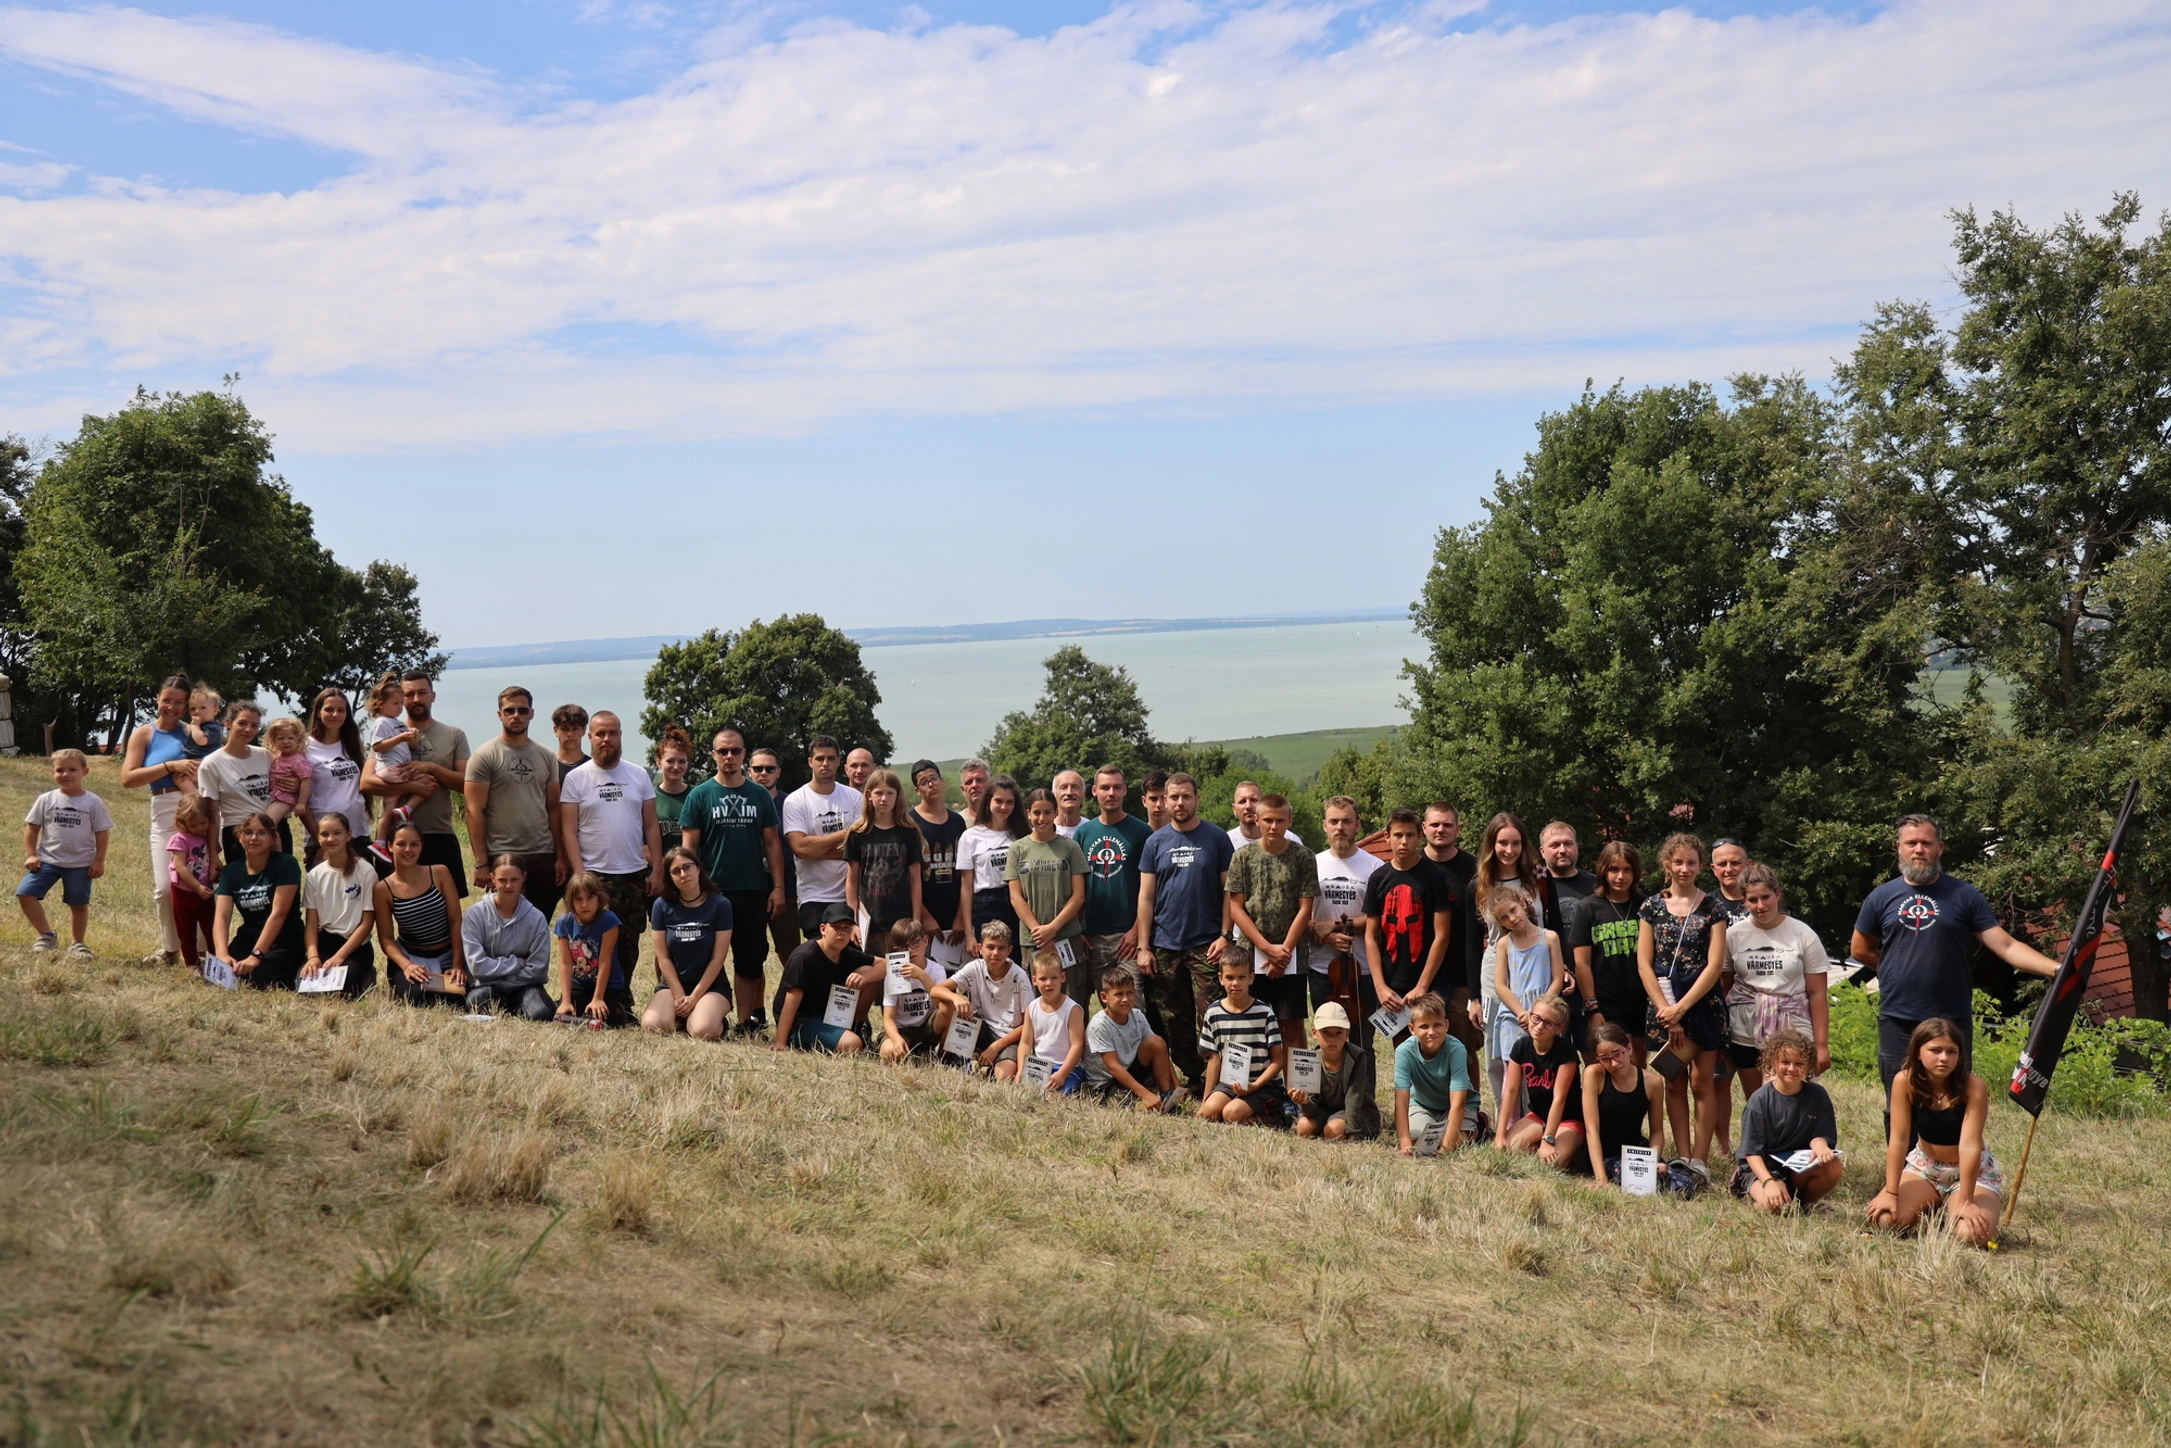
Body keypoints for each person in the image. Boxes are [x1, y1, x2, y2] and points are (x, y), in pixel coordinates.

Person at [1851, 814, 2057, 1103]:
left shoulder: (1964, 895)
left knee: (1952, 1100)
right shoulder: (1881, 897)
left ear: (1940, 848)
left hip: (1951, 1018)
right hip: (1898, 1018)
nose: (1919, 849)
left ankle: (1950, 1136)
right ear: (1899, 847)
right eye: (1911, 843)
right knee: (1899, 1102)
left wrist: (2057, 969)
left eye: (1926, 843)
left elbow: (2006, 946)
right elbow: (1859, 949)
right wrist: (1893, 968)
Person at [1135, 772, 1237, 1094]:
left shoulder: (1217, 838)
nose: (1180, 803)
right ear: (1165, 800)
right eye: (1174, 797)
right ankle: (1194, 1076)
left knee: (1212, 1016)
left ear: (1197, 799)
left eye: (1186, 796)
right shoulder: (1155, 842)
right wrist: (1143, 947)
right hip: (1165, 945)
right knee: (1174, 1020)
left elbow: (1230, 892)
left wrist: (1226, 935)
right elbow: (1146, 897)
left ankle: (1220, 1080)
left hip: (1207, 944)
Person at [1636, 832, 1730, 1175]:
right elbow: (1644, 964)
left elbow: (1715, 965)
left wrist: (1683, 1008)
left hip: (1702, 1005)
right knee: (1673, 1082)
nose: (1684, 868)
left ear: (1701, 865)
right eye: (1678, 862)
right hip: (1662, 1007)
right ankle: (1682, 1155)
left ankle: (1700, 1160)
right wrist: (1669, 1012)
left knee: (1703, 1083)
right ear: (1667, 864)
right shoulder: (1651, 907)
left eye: (1691, 862)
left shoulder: (1713, 908)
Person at [681, 729, 786, 1034]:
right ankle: (698, 1012)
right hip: (711, 892)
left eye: (735, 751)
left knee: (750, 960)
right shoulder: (700, 795)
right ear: (713, 755)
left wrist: (778, 887)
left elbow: (772, 844)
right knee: (703, 957)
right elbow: (689, 848)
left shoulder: (759, 795)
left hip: (752, 890)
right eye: (723, 751)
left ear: (744, 755)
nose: (729, 756)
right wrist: (689, 890)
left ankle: (744, 1022)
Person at [1866, 1018, 2002, 1247]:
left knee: (1970, 1235)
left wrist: (1967, 1200)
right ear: (1918, 1052)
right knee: (1884, 1220)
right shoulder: (1904, 1081)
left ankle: (1959, 1204)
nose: (1944, 1058)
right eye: (1935, 1050)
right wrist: (1890, 1191)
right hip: (1925, 1167)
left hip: (1971, 1173)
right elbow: (1899, 1139)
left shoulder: (1973, 1085)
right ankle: (1934, 1204)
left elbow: (1970, 1144)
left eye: (1951, 1051)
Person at [559, 711, 664, 991]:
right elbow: (568, 830)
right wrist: (580, 875)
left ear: (620, 736)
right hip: (594, 876)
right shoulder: (576, 778)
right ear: (590, 737)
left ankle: (620, 999)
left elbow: (651, 826)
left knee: (628, 943)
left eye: (613, 733)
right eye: (600, 734)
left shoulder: (638, 775)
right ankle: (591, 999)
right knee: (591, 944)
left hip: (633, 874)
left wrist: (657, 869)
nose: (607, 739)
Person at [1723, 863, 1832, 1105]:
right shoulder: (1733, 935)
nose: (1760, 906)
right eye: (1753, 900)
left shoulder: (1803, 934)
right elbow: (1725, 985)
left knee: (1793, 1098)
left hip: (1792, 1024)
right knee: (1757, 1101)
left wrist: (1821, 1044)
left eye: (1766, 897)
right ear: (1744, 900)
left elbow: (1817, 993)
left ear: (1778, 894)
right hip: (1745, 1027)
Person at [361, 672, 473, 897]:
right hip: (397, 838)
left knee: (446, 905)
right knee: (394, 904)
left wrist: (432, 769)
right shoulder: (387, 731)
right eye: (409, 694)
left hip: (438, 832)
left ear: (433, 696)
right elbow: (366, 783)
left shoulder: (454, 735)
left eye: (422, 693)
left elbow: (466, 785)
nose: (416, 699)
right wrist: (411, 788)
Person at [464, 686, 566, 919]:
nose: (516, 716)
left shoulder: (546, 756)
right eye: (509, 711)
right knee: (507, 923)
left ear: (532, 713)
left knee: (539, 922)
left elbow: (553, 808)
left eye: (522, 710)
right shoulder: (484, 756)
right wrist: (481, 862)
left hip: (542, 853)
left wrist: (560, 855)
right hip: (503, 853)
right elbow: (474, 810)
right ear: (500, 714)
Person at [1226, 792, 1318, 1048]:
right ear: (1257, 820)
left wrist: (1283, 953)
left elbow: (1305, 909)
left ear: (1289, 821)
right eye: (1268, 820)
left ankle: (1295, 1076)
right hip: (1251, 953)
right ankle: (1256, 1075)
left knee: (1292, 1026)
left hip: (1292, 954)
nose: (1274, 826)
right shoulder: (1242, 856)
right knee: (1249, 1023)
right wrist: (1267, 949)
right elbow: (1236, 908)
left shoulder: (1304, 856)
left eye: (1280, 820)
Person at [1474, 812, 1551, 1108]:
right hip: (1497, 972)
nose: (1509, 850)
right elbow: (1471, 942)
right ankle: (1505, 1116)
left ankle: (1537, 1113)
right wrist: (1473, 997)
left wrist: (1564, 968)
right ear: (1491, 844)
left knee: (1538, 1042)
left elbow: (1553, 923)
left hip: (1537, 969)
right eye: (1502, 843)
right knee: (1497, 1050)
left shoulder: (1538, 878)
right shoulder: (1480, 884)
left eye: (1515, 843)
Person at [1361, 809, 1453, 1058]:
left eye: (1410, 835)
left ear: (1420, 836)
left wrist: (1423, 985)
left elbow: (1442, 935)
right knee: (1404, 1052)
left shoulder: (1435, 877)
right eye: (1398, 835)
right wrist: (1380, 986)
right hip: (1393, 984)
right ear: (1386, 837)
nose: (1404, 842)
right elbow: (1371, 936)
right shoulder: (1378, 878)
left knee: (1434, 1048)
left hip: (1430, 982)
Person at [121, 675, 199, 965]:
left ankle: (202, 951)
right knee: (165, 887)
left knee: (200, 883)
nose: (172, 707)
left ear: (187, 705)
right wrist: (169, 766)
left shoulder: (194, 733)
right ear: (157, 699)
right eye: (167, 700)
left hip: (195, 808)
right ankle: (170, 949)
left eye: (179, 702)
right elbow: (128, 778)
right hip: (163, 809)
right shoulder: (144, 734)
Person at [1731, 1028, 1843, 1214]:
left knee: (1833, 1165)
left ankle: (1807, 1203)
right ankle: (1757, 1193)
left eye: (1799, 1064)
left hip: (1797, 1166)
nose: (1792, 1069)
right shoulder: (1759, 1101)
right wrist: (1768, 1181)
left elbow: (1822, 1135)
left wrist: (1820, 1144)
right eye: (1785, 1062)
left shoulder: (1817, 1095)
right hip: (1762, 1168)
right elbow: (1752, 1153)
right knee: (1774, 1207)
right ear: (1773, 1063)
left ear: (1808, 1066)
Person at [17, 748, 112, 957]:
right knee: (25, 893)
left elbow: (102, 833)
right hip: (47, 861)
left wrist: (99, 861)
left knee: (78, 904)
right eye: (60, 770)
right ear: (53, 773)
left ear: (85, 772)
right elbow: (32, 828)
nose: (66, 774)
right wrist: (31, 854)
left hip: (80, 864)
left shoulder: (93, 802)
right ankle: (46, 935)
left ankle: (78, 944)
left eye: (72, 769)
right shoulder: (46, 799)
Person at [642, 845, 734, 1040]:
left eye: (687, 867)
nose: (683, 874)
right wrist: (679, 996)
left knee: (702, 1031)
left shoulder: (720, 905)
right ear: (670, 878)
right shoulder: (661, 906)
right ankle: (682, 1018)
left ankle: (712, 1020)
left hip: (710, 986)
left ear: (698, 868)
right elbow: (663, 958)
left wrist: (694, 998)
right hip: (673, 985)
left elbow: (718, 958)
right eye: (676, 871)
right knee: (652, 1025)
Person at [1073, 764, 1152, 986]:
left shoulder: (1141, 832)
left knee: (1131, 999)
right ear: (1094, 791)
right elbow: (1076, 887)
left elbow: (1150, 889)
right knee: (1105, 999)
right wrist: (1077, 930)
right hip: (1094, 936)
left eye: (1117, 787)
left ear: (1125, 790)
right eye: (1105, 787)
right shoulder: (1083, 833)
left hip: (1129, 936)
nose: (1111, 793)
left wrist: (1137, 930)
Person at [374, 819, 466, 1007]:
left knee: (458, 998)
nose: (408, 850)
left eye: (414, 844)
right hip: (412, 956)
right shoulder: (383, 889)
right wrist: (407, 965)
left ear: (422, 846)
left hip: (448, 954)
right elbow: (386, 939)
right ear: (390, 846)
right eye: (401, 844)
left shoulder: (439, 873)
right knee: (416, 998)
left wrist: (457, 964)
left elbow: (456, 920)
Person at [1005, 789, 1087, 997]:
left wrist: (1053, 928)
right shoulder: (1017, 849)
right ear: (1028, 813)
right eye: (1036, 812)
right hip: (1033, 940)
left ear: (1056, 812)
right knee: (1035, 999)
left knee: (1071, 997)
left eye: (1048, 812)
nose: (1042, 818)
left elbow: (1078, 896)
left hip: (1066, 937)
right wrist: (1039, 932)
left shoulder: (1070, 847)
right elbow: (1016, 897)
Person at [781, 736, 864, 938]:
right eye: (819, 758)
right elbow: (800, 848)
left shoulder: (854, 798)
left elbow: (862, 848)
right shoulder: (795, 801)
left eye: (830, 758)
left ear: (839, 761)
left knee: (855, 954)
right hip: (814, 898)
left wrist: (816, 850)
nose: (825, 763)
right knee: (821, 954)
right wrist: (846, 833)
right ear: (810, 762)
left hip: (852, 895)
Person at [1570, 841, 1645, 1063]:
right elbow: (1582, 963)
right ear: (1603, 870)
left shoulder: (1647, 905)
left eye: (1627, 869)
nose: (1621, 876)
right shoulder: (1588, 907)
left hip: (1642, 1001)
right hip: (1607, 1003)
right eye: (1614, 869)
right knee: (1618, 1063)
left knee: (1638, 1067)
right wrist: (1593, 1008)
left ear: (1635, 872)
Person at [212, 812, 304, 990]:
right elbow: (221, 918)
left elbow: (279, 914)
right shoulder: (231, 871)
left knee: (259, 979)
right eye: (248, 832)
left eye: (262, 833)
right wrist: (222, 954)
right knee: (222, 976)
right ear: (240, 837)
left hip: (284, 939)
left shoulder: (287, 864)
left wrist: (256, 955)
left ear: (273, 838)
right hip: (249, 936)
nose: (254, 838)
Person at [1495, 995, 1586, 1170]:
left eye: (1548, 1023)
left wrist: (1548, 1140)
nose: (1539, 1026)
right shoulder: (1521, 1046)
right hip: (1537, 1116)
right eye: (1536, 1018)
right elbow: (1511, 1091)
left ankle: (1572, 1149)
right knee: (1507, 1150)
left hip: (1568, 1119)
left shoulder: (1566, 1052)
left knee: (1552, 1165)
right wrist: (1500, 1134)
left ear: (1560, 1028)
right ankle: (1538, 1147)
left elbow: (1559, 1098)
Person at [1197, 953, 1288, 1126]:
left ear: (1251, 978)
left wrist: (1254, 1086)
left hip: (1262, 1085)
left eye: (1241, 977)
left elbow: (1278, 1060)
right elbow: (1214, 1059)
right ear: (1220, 978)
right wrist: (1205, 1101)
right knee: (1207, 1114)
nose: (1235, 983)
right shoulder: (1213, 1013)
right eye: (1229, 977)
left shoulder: (1264, 1013)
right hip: (1229, 1082)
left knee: (1231, 1114)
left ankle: (1276, 1118)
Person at [935, 921, 1032, 1081]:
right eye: (990, 947)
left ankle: (983, 1065)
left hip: (1008, 1036)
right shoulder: (974, 968)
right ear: (980, 948)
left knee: (1003, 1077)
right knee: (948, 1002)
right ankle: (952, 1056)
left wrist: (996, 1047)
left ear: (1009, 950)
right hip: (981, 1027)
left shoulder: (1020, 977)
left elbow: (1028, 1024)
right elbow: (936, 990)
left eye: (1001, 948)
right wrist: (956, 997)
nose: (995, 953)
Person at [461, 856, 555, 1020]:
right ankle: (510, 1006)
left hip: (525, 986)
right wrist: (519, 962)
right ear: (492, 878)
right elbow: (477, 966)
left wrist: (497, 971)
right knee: (477, 1002)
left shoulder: (536, 918)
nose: (509, 885)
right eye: (502, 880)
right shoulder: (475, 915)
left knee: (542, 1013)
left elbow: (538, 970)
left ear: (524, 877)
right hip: (486, 986)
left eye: (514, 880)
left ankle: (519, 1005)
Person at [1581, 1021, 1672, 1187]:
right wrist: (1601, 1178)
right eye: (1605, 1059)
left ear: (1629, 1048)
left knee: (1680, 1184)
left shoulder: (1653, 1082)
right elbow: (1591, 1129)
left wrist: (1653, 1161)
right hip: (1604, 1153)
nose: (1614, 1063)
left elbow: (1657, 1131)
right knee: (1636, 1181)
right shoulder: (1594, 1075)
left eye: (1618, 1054)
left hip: (1636, 1150)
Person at [1312, 796, 1381, 1014]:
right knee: (1326, 1031)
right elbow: (1299, 915)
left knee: (1362, 1033)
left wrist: (1336, 926)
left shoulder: (1375, 867)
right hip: (1320, 967)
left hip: (1364, 969)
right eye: (1334, 821)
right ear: (1325, 825)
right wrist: (1328, 937)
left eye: (1346, 821)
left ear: (1357, 825)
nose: (1340, 827)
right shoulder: (1312, 864)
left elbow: (1379, 919)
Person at [773, 901, 871, 1054]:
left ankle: (857, 1027)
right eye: (836, 927)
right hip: (802, 1021)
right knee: (852, 1044)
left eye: (846, 928)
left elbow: (882, 964)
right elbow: (792, 1000)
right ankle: (798, 1039)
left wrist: (864, 976)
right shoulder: (805, 956)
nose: (841, 933)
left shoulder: (846, 953)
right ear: (823, 929)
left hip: (828, 1015)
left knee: (867, 971)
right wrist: (780, 1042)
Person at [300, 812, 378, 999]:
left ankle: (367, 975)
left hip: (354, 945)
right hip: (325, 942)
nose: (330, 839)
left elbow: (367, 923)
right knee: (305, 987)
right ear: (318, 838)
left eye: (337, 833)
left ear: (349, 835)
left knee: (343, 990)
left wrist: (339, 957)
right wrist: (313, 957)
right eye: (325, 834)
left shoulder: (366, 871)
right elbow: (311, 924)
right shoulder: (315, 875)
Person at [1488, 887, 1566, 1068]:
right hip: (1515, 1016)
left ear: (1522, 903)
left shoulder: (1550, 937)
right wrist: (1523, 1013)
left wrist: (1538, 1012)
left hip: (1545, 1015)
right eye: (1504, 918)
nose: (1512, 919)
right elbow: (1500, 985)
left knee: (1546, 1067)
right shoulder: (1504, 944)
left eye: (1513, 910)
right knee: (1513, 1070)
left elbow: (1557, 978)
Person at [844, 768, 925, 943]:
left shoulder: (909, 832)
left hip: (902, 922)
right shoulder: (858, 833)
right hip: (869, 921)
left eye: (890, 793)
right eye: (879, 793)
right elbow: (851, 881)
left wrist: (916, 920)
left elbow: (915, 880)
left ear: (897, 796)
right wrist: (852, 921)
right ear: (869, 795)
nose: (884, 798)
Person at [1086, 965, 1183, 1111]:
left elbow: (1160, 1050)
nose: (1125, 999)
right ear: (1104, 997)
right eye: (1119, 994)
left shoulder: (1137, 1016)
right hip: (1106, 1081)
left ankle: (1166, 1095)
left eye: (1129, 993)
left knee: (1156, 1041)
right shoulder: (1099, 1025)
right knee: (1138, 1108)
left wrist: (1177, 1086)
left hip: (1130, 1070)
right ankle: (1144, 1097)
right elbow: (1114, 1068)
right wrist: (1146, 1095)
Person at [908, 760, 969, 970]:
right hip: (924, 913)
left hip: (955, 914)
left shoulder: (957, 822)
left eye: (933, 778)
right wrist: (924, 917)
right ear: (917, 790)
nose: (931, 784)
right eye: (924, 782)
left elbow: (966, 873)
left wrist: (961, 916)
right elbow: (908, 877)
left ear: (942, 781)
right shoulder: (910, 822)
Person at [1394, 992, 1472, 1155]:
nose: (1431, 1032)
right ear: (1412, 1029)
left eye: (1437, 1025)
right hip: (1422, 1104)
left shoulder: (1456, 1050)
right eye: (1424, 1026)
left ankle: (1479, 1123)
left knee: (1457, 1141)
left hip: (1455, 1105)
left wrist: (1445, 1149)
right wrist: (1405, 1143)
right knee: (1420, 1143)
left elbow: (1458, 1103)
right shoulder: (1404, 1051)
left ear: (1447, 1025)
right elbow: (1401, 1101)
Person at [199, 700, 278, 861]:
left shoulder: (264, 755)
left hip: (272, 828)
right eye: (242, 723)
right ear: (228, 723)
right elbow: (212, 814)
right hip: (238, 832)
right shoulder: (211, 763)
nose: (248, 729)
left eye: (254, 725)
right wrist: (213, 853)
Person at [1290, 1001, 1379, 1140]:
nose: (1332, 1039)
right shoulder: (1309, 1060)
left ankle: (1335, 1132)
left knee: (1333, 1130)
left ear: (1347, 1033)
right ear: (1314, 1033)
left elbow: (1353, 1099)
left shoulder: (1357, 1057)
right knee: (1304, 1128)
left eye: (1338, 1033)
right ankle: (1327, 1130)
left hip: (1353, 1112)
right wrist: (1304, 1102)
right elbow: (1311, 1108)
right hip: (1322, 1110)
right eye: (1325, 1032)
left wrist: (1353, 1135)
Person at [553, 871, 631, 1026]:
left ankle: (619, 1010)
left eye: (590, 898)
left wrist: (598, 998)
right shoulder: (564, 922)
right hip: (579, 981)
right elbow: (566, 963)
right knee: (568, 1015)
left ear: (599, 898)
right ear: (570, 901)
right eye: (578, 899)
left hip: (607, 983)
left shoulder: (608, 920)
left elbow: (605, 960)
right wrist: (566, 1001)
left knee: (602, 1015)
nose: (584, 904)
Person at [301, 689, 370, 860]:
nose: (335, 715)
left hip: (358, 834)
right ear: (318, 712)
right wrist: (320, 839)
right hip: (326, 837)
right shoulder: (304, 748)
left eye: (341, 710)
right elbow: (301, 802)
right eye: (329, 709)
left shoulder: (352, 744)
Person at [957, 772, 1026, 945]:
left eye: (1009, 802)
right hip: (987, 905)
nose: (1004, 807)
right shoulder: (970, 836)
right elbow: (966, 887)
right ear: (988, 801)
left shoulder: (1023, 834)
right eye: (999, 801)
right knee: (992, 958)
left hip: (1020, 903)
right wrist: (969, 933)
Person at [749, 747, 799, 969]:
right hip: (750, 888)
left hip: (786, 887)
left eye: (769, 769)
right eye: (758, 768)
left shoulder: (791, 804)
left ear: (778, 772)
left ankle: (793, 991)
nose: (763, 773)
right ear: (749, 772)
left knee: (790, 953)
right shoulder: (740, 803)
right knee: (751, 957)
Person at [877, 918, 952, 1064]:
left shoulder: (937, 970)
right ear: (896, 949)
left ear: (925, 941)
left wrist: (922, 976)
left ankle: (945, 1053)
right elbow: (888, 1018)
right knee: (888, 1052)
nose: (910, 951)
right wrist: (896, 1039)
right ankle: (907, 1051)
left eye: (914, 943)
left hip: (928, 1028)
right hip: (902, 1029)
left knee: (949, 1005)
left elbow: (943, 1007)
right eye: (903, 947)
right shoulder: (893, 973)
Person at [364, 674, 422, 849]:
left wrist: (414, 736)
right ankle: (407, 809)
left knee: (389, 808)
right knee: (426, 781)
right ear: (381, 704)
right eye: (395, 704)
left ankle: (380, 842)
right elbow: (377, 746)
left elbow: (412, 746)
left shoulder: (397, 723)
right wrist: (400, 738)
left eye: (401, 704)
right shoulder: (382, 722)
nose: (399, 708)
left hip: (396, 769)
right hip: (393, 769)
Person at [1020, 949, 1088, 1095]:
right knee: (1027, 1094)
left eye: (1054, 978)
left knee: (1057, 1097)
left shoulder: (1072, 1009)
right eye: (1043, 979)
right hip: (1039, 1066)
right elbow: (1025, 1044)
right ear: (1034, 980)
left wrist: (1062, 1074)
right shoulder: (1032, 1008)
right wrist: (1021, 1070)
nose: (1049, 983)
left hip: (1068, 1068)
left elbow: (1077, 1046)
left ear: (1063, 977)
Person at [165, 794, 217, 972]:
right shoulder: (180, 839)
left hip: (205, 892)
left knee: (211, 928)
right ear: (183, 823)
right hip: (184, 891)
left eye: (203, 822)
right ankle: (192, 964)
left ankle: (217, 962)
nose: (199, 827)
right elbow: (180, 867)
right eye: (193, 825)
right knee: (186, 930)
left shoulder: (208, 838)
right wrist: (197, 887)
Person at [652, 726, 694, 855]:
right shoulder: (650, 798)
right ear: (659, 762)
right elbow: (643, 845)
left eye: (682, 761)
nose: (676, 767)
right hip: (659, 865)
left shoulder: (696, 796)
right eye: (670, 761)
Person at [1227, 779, 1303, 851]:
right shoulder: (1227, 841)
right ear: (1234, 809)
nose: (1248, 806)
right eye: (1242, 801)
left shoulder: (1291, 840)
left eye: (1253, 800)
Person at [1539, 822, 1598, 904]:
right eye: (1555, 845)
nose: (1562, 850)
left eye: (1568, 844)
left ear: (1576, 847)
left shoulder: (1597, 885)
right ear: (1542, 852)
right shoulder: (1533, 888)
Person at [179, 685, 225, 786]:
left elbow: (201, 740)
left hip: (203, 762)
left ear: (215, 711)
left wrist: (195, 726)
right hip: (194, 761)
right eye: (193, 709)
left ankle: (191, 795)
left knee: (182, 779)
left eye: (203, 708)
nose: (197, 711)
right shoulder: (201, 726)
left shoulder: (212, 727)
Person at [551, 703, 590, 779]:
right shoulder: (547, 767)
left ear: (584, 730)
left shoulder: (594, 767)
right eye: (564, 729)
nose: (570, 734)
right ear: (555, 730)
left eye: (575, 729)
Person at [1052, 770, 1088, 839]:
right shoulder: (1044, 831)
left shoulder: (1091, 829)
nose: (1069, 792)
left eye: (1075, 787)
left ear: (1083, 794)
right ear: (1054, 795)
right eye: (1064, 787)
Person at [956, 759, 992, 824]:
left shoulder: (1003, 820)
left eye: (980, 780)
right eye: (969, 782)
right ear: (963, 790)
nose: (974, 785)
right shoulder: (956, 823)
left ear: (990, 785)